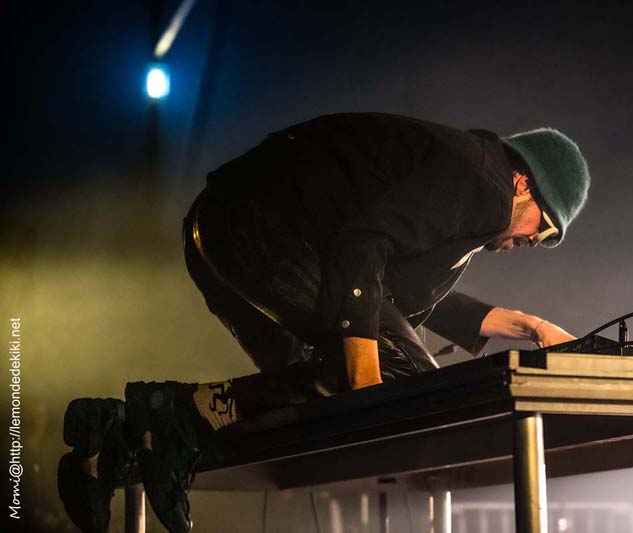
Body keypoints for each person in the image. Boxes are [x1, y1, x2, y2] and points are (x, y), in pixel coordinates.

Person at [58, 112, 590, 532]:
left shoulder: (464, 178)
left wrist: (531, 327)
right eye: (544, 229)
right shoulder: (482, 187)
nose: (533, 242)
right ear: (522, 181)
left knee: (296, 400)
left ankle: (113, 441)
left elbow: (392, 288)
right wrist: (371, 388)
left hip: (221, 224)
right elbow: (363, 248)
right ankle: (174, 413)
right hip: (261, 231)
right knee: (408, 384)